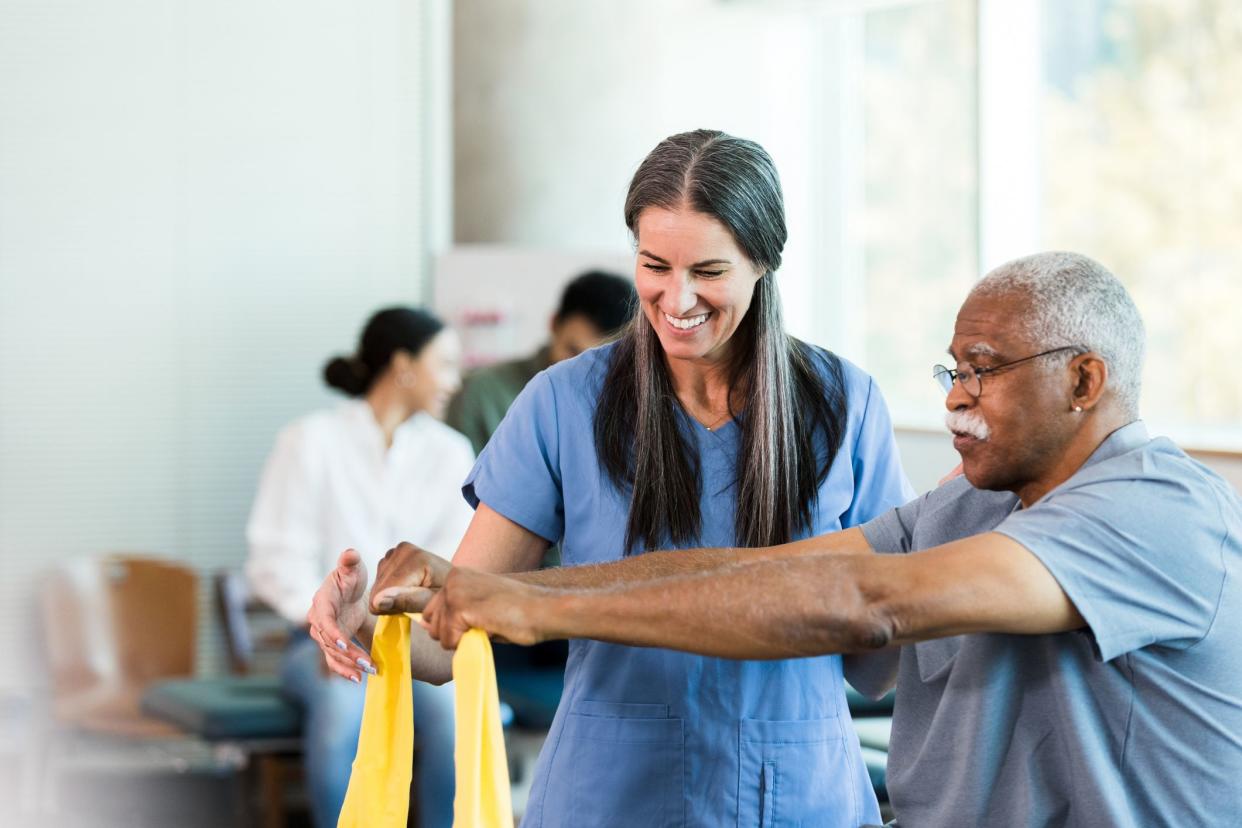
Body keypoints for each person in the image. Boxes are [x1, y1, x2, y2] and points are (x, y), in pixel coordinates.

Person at [417, 252, 1242, 827]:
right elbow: (772, 571)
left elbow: (865, 606)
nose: (957, 399)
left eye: (982, 370)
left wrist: (539, 610)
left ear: (1084, 380)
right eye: (951, 370)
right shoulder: (970, 507)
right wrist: (490, 592)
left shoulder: (1159, 510)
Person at [307, 129, 914, 826]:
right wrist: (365, 621)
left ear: (764, 262)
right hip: (611, 791)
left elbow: (879, 663)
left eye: (708, 271)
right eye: (654, 264)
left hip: (797, 793)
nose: (676, 297)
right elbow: (453, 635)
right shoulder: (563, 403)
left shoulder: (844, 403)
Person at [246, 307, 474, 828]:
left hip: (417, 643)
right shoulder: (309, 441)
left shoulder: (450, 451)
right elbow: (274, 559)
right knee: (345, 712)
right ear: (404, 365)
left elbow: (452, 564)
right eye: (446, 364)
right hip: (321, 644)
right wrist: (336, 624)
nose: (455, 381)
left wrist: (396, 624)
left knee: (451, 716)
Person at [446, 269, 636, 455]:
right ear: (554, 324)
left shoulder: (631, 406)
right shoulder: (482, 394)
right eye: (573, 351)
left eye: (600, 360)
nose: (582, 368)